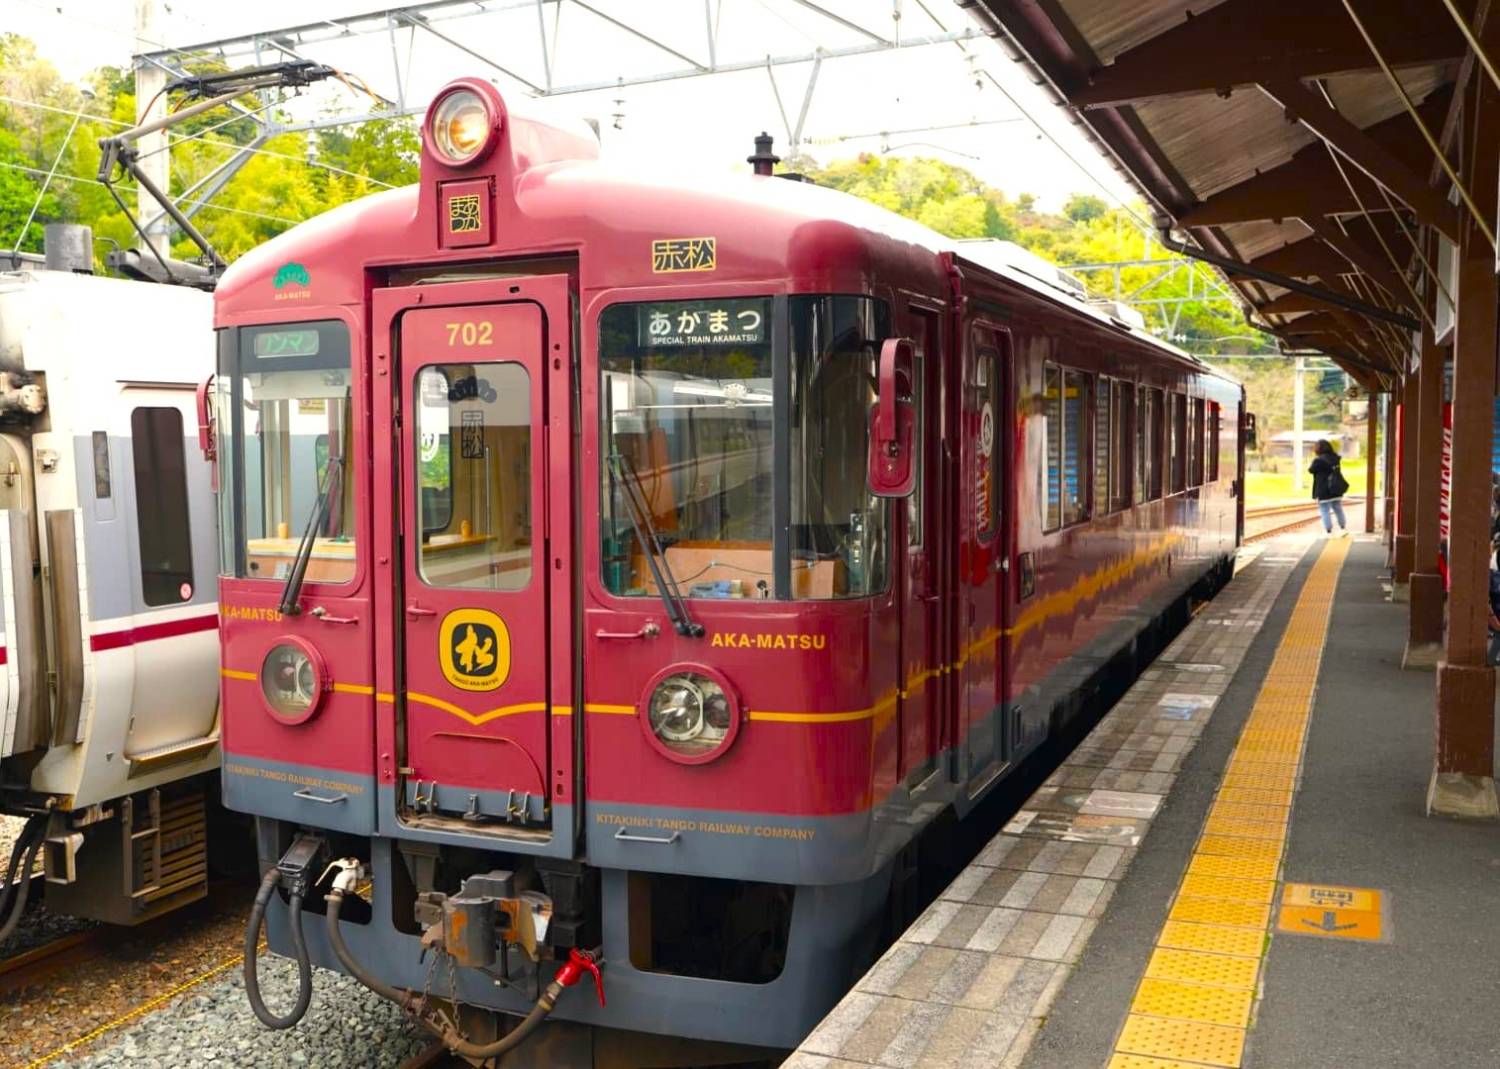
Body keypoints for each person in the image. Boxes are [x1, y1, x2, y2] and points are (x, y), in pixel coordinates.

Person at [1308, 439, 1350, 537]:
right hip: (1336, 488)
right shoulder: (1336, 458)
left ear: (1319, 449)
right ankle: (1343, 528)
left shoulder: (1318, 460)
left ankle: (1328, 531)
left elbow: (1311, 470)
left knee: (1324, 510)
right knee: (1338, 508)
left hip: (1323, 490)